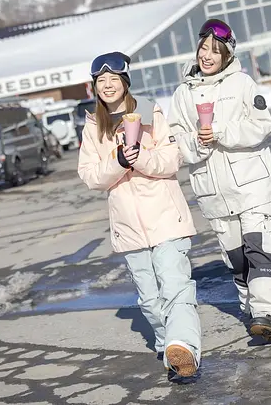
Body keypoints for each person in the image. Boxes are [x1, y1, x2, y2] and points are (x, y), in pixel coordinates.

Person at [77, 51, 202, 377]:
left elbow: (172, 159)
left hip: (165, 217)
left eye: (113, 79)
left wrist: (140, 158)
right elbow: (90, 176)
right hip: (129, 228)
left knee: (176, 288)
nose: (107, 85)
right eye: (100, 81)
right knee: (149, 301)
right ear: (94, 87)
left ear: (125, 82)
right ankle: (168, 347)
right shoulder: (93, 126)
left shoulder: (149, 111)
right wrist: (118, 161)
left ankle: (184, 346)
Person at [167, 19, 271, 342]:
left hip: (251, 185)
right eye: (203, 48)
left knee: (260, 249)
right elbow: (177, 140)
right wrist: (199, 143)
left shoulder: (242, 84)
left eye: (215, 50)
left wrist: (221, 132)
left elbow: (261, 124)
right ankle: (254, 313)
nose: (207, 55)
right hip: (214, 192)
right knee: (237, 259)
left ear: (227, 54)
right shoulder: (182, 95)